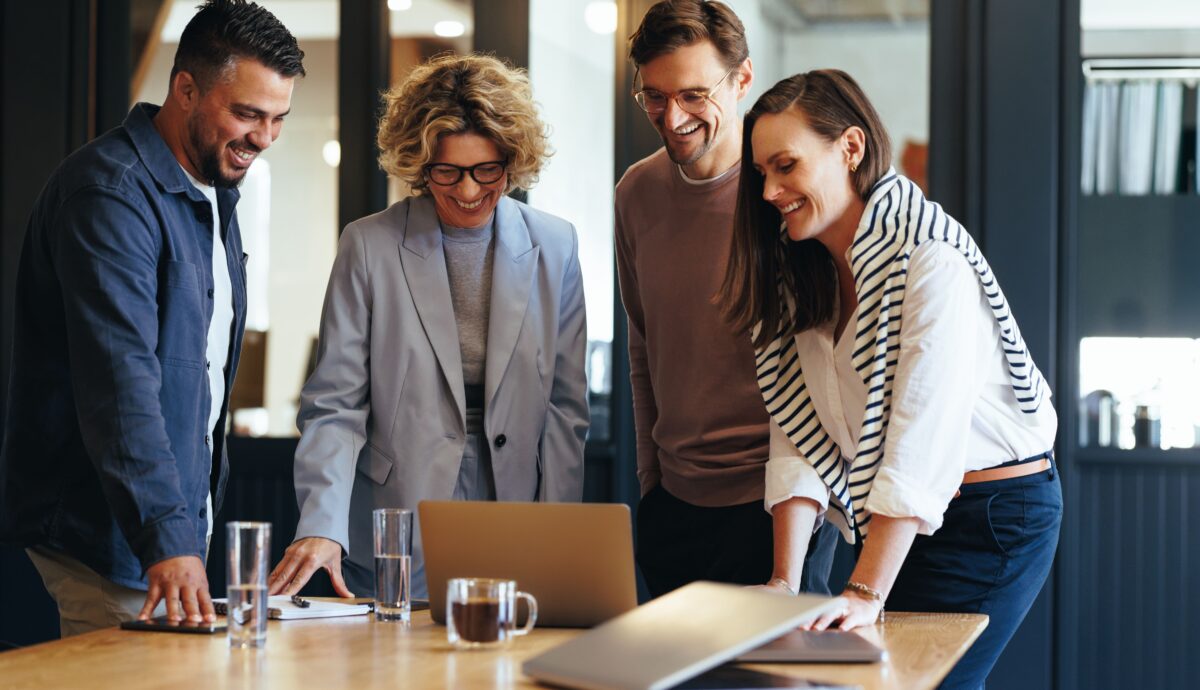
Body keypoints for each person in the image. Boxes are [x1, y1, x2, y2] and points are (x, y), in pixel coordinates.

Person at [718, 69, 1062, 689]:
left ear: (850, 148)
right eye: (761, 173)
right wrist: (784, 583)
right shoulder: (805, 276)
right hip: (897, 519)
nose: (769, 190)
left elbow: (920, 436)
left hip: (993, 516)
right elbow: (796, 432)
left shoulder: (932, 256)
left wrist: (864, 589)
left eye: (786, 166)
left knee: (919, 682)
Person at [0, 0, 304, 636]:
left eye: (278, 118)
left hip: (160, 535)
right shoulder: (109, 194)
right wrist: (168, 538)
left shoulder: (210, 195)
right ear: (185, 89)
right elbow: (121, 384)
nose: (264, 137)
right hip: (106, 540)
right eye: (247, 113)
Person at [268, 53, 589, 601]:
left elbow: (565, 409)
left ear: (513, 161)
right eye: (447, 172)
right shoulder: (368, 245)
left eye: (486, 170)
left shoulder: (554, 246)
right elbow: (335, 404)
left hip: (512, 497)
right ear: (419, 164)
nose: (467, 191)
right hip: (398, 505)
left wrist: (556, 536)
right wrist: (322, 522)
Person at [615, 0, 837, 598]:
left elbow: (827, 363)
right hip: (673, 508)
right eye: (654, 96)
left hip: (778, 510)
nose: (672, 116)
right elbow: (644, 348)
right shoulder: (635, 193)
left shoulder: (786, 194)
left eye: (692, 94)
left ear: (742, 79)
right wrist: (649, 482)